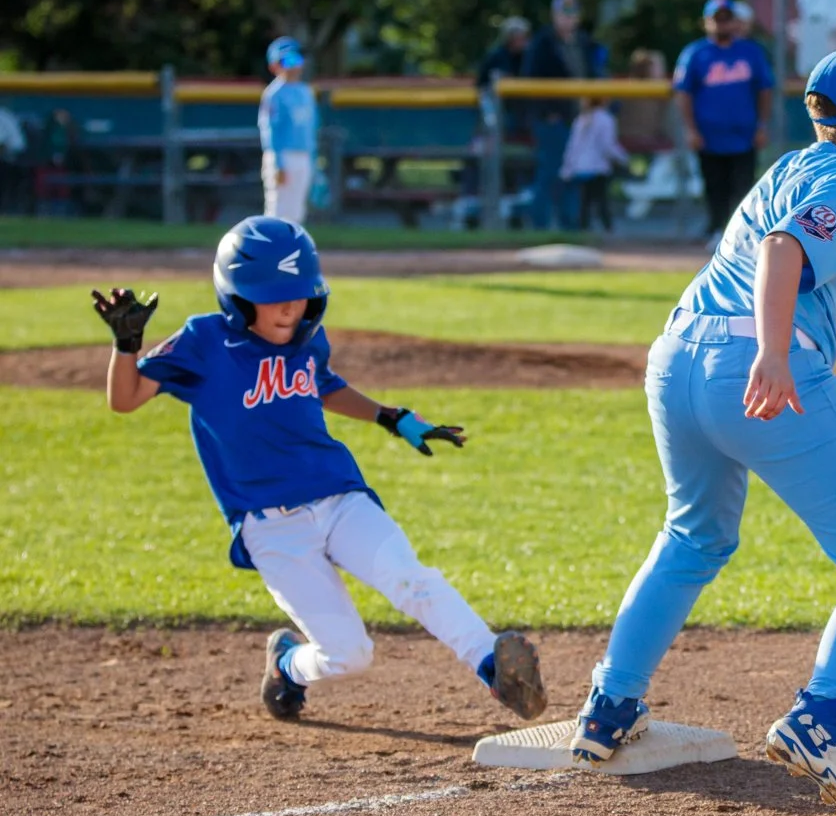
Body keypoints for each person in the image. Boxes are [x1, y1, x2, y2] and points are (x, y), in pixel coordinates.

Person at [568, 41, 836, 816]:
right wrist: (771, 352)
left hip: (677, 358)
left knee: (693, 538)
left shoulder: (800, 168)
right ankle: (822, 717)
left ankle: (608, 708)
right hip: (750, 364)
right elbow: (786, 249)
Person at [88, 217, 547, 724]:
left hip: (339, 495)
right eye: (272, 295)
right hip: (272, 527)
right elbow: (125, 400)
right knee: (350, 654)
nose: (289, 307)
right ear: (236, 296)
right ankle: (287, 664)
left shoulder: (308, 339)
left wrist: (392, 417)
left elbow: (324, 386)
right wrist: (126, 347)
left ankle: (494, 670)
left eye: (300, 294)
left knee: (411, 578)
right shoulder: (204, 341)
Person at [673, 0, 776, 245]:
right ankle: (716, 229)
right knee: (714, 187)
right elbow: (683, 92)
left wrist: (762, 125)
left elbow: (764, 90)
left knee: (743, 189)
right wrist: (690, 129)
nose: (722, 25)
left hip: (744, 134)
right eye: (717, 20)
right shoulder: (696, 53)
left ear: (734, 22)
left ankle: (740, 236)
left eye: (726, 19)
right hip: (709, 135)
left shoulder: (750, 52)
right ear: (707, 22)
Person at [521, 0, 598, 230]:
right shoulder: (542, 42)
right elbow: (529, 79)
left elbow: (593, 75)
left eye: (572, 14)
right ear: (554, 16)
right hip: (551, 119)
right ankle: (540, 225)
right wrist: (547, 112)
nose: (568, 19)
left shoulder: (583, 42)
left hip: (578, 118)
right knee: (550, 172)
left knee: (573, 173)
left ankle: (570, 225)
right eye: (563, 15)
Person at [258, 37, 319, 225]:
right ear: (274, 66)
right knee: (278, 209)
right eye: (287, 61)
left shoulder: (306, 92)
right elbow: (270, 131)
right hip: (283, 155)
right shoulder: (274, 93)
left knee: (297, 211)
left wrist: (315, 160)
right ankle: (272, 253)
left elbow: (312, 128)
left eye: (297, 60)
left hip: (304, 155)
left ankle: (292, 252)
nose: (293, 66)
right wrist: (278, 163)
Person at [560, 98, 631, 233]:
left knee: (585, 203)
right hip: (597, 169)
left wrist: (567, 168)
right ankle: (608, 231)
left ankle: (583, 231)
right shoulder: (605, 119)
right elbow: (608, 146)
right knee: (600, 203)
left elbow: (572, 147)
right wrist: (624, 159)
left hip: (580, 168)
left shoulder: (581, 118)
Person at [475, 16, 532, 91]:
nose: (523, 41)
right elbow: (484, 82)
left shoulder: (528, 56)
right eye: (519, 37)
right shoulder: (496, 57)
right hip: (492, 97)